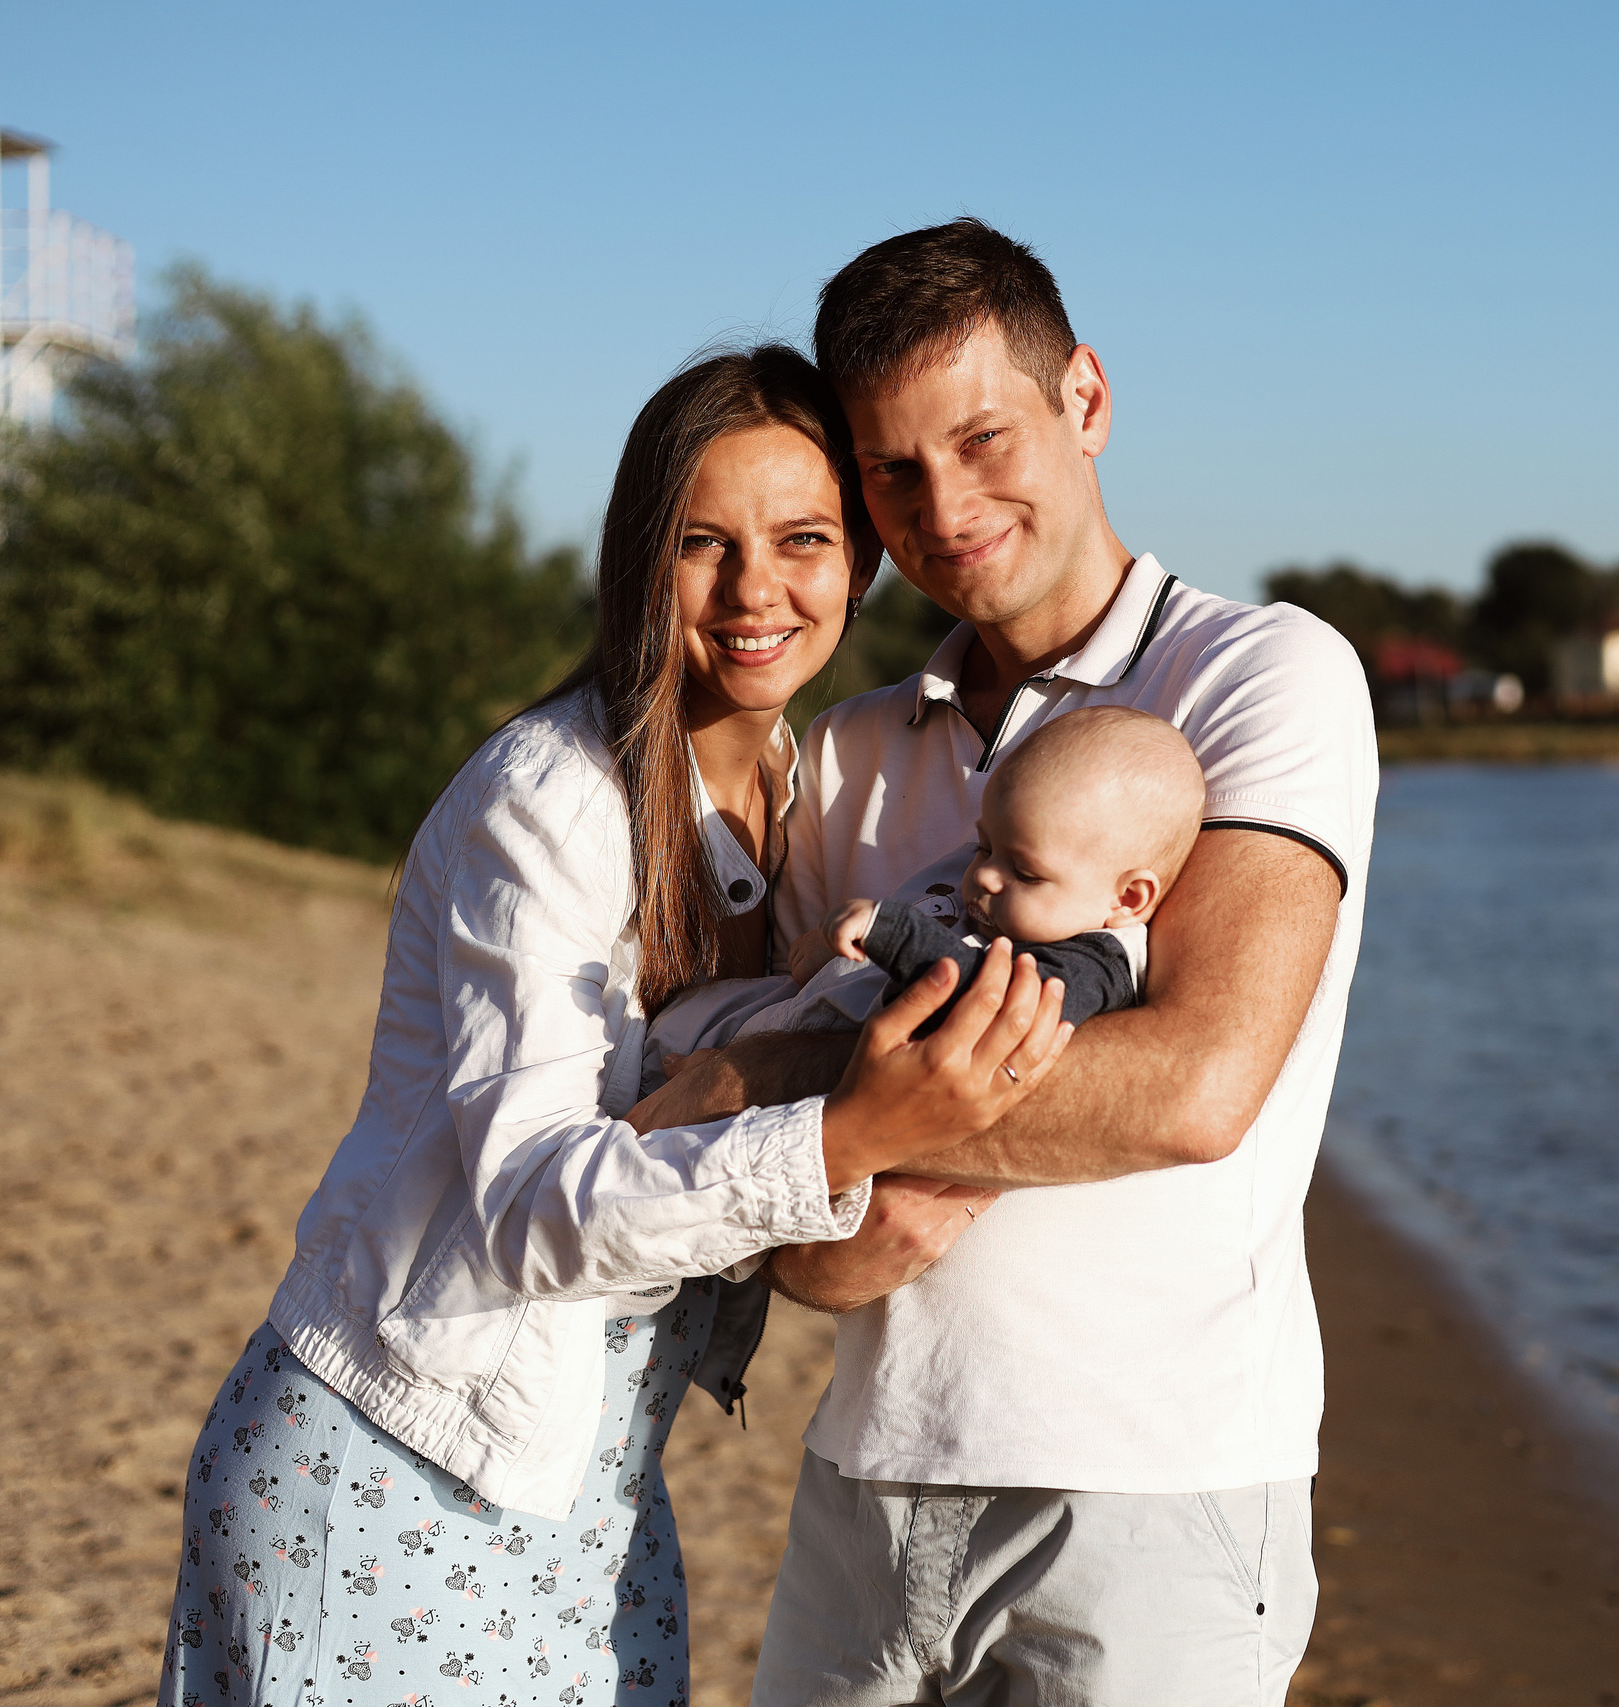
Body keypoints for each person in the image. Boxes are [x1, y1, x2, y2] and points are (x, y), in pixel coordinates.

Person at [155, 345, 1075, 1707]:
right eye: (703, 543)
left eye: (802, 539)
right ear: (639, 562)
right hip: (397, 1463)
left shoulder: (789, 784)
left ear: (863, 563)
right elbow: (533, 1204)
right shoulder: (547, 801)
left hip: (589, 1483)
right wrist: (852, 1133)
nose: (755, 588)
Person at [640, 221, 1379, 1704]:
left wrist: (780, 1091)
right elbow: (793, 1211)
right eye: (893, 470)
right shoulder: (846, 750)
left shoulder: (1258, 674)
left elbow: (1196, 1083)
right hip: (864, 1481)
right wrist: (813, 1223)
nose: (945, 504)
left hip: (1147, 1494)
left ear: (1086, 401)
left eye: (982, 438)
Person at [647, 703, 1201, 1061]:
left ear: (1127, 899)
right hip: (762, 1025)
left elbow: (993, 1007)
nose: (984, 873)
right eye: (985, 846)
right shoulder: (1013, 899)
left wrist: (889, 931)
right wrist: (828, 945)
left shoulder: (1089, 966)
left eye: (1024, 872)